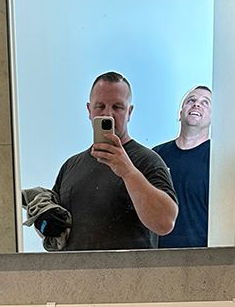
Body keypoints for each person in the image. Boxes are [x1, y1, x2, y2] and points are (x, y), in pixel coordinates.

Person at [50, 72, 178, 251]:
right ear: (89, 110)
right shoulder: (71, 166)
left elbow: (165, 223)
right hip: (76, 277)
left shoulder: (148, 161)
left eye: (117, 107)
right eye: (99, 106)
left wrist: (128, 172)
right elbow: (56, 231)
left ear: (129, 112)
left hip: (131, 278)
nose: (107, 114)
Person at [155, 86, 212, 249]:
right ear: (180, 113)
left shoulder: (218, 158)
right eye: (191, 100)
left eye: (205, 103)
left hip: (202, 257)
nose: (197, 105)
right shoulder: (156, 156)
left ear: (213, 117)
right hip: (157, 257)